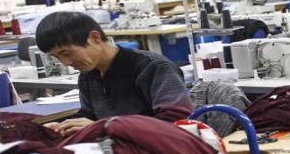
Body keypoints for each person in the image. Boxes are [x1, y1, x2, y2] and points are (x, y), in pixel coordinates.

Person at [35, 12, 193, 137]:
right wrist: (60, 126)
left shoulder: (151, 67)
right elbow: (90, 116)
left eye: (66, 53)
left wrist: (106, 127)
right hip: (118, 147)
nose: (66, 62)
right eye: (57, 57)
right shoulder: (89, 74)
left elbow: (177, 119)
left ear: (94, 37)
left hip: (160, 153)